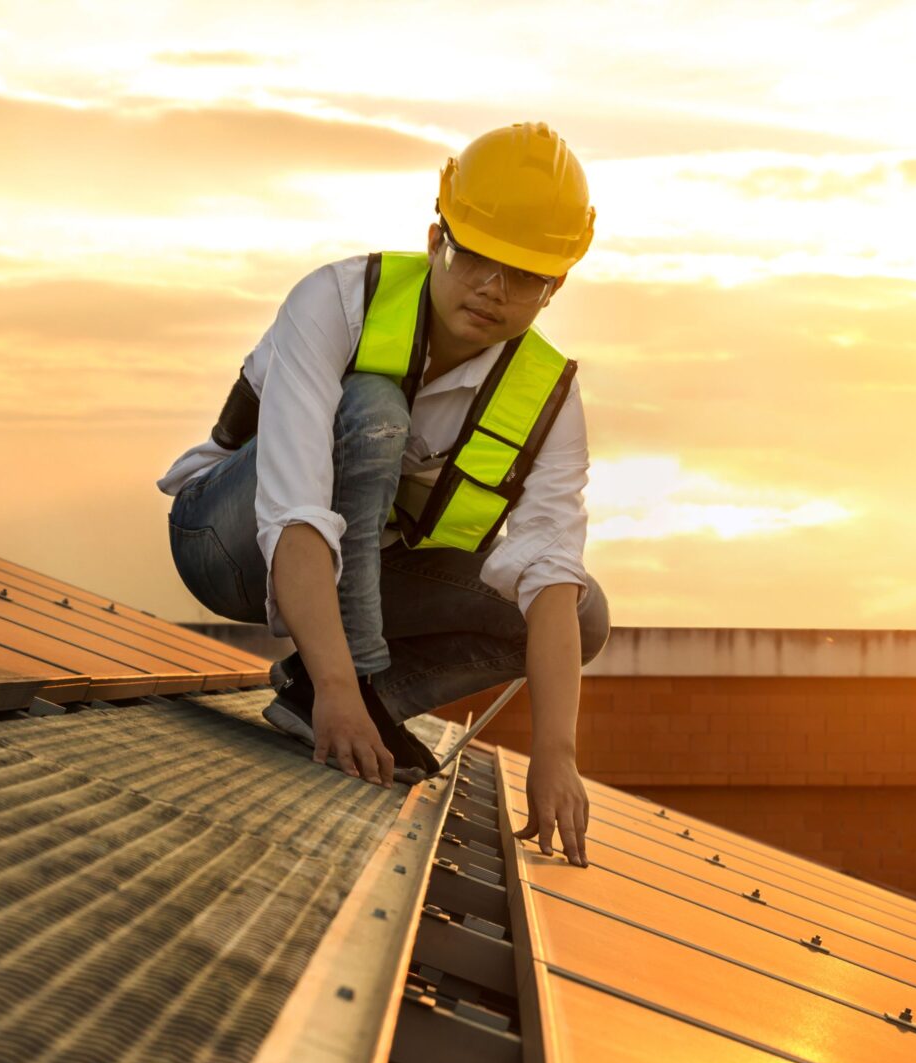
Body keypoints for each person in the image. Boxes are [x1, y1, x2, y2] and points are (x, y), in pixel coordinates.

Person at [157, 122, 607, 864]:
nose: (493, 290)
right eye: (475, 258)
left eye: (524, 275)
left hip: (357, 579)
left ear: (554, 288)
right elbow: (295, 511)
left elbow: (550, 579)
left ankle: (323, 699)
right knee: (371, 409)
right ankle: (349, 687)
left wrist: (557, 751)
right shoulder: (338, 301)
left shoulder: (550, 399)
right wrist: (345, 680)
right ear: (437, 238)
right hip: (230, 542)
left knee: (583, 612)